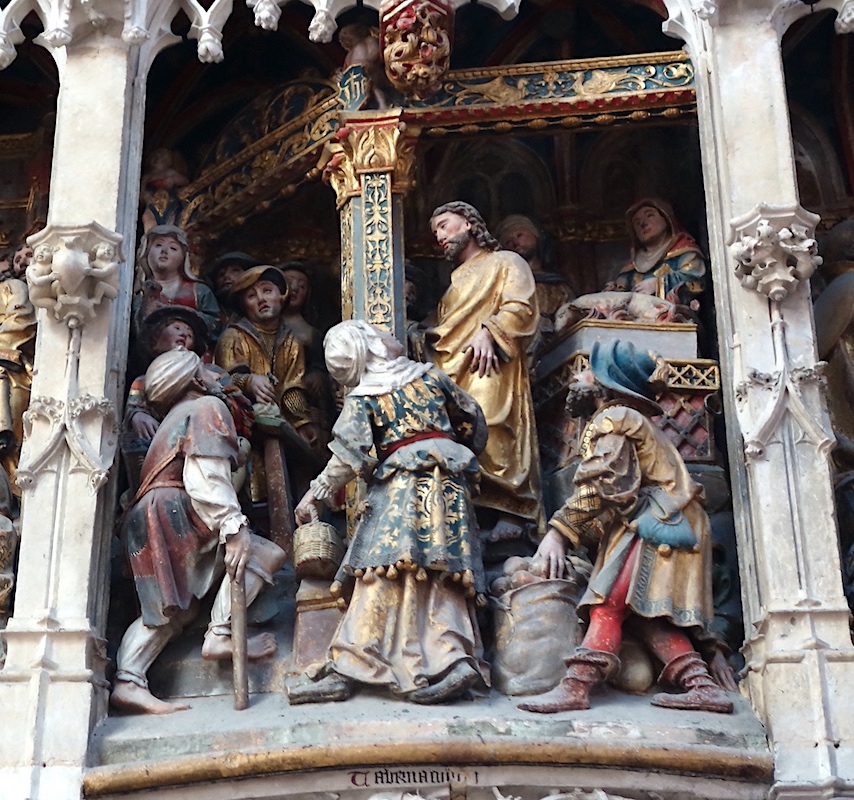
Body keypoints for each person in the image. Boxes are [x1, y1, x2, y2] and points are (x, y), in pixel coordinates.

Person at [518, 340, 735, 714]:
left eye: (588, 369)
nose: (578, 375)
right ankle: (701, 685)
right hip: (669, 518)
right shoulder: (631, 421)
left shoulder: (615, 418)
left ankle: (576, 687)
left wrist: (558, 534)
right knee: (645, 613)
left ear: (605, 383)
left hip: (658, 522)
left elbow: (606, 485)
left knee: (608, 603)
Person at [288, 320, 489, 705]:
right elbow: (472, 421)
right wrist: (448, 452)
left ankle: (356, 661)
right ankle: (452, 657)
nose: (389, 333)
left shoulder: (366, 398)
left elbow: (347, 455)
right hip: (450, 481)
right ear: (371, 347)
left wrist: (314, 495)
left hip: (400, 485)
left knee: (379, 570)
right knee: (442, 568)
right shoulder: (431, 377)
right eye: (378, 331)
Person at [110, 348, 285, 715]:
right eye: (205, 370)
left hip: (148, 515)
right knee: (262, 554)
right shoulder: (206, 408)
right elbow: (204, 474)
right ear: (193, 380)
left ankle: (130, 678)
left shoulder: (173, 417)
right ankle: (220, 635)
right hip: (175, 510)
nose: (213, 375)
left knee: (170, 609)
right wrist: (233, 526)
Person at [427, 201, 542, 543]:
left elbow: (521, 306)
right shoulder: (452, 286)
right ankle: (473, 513)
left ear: (470, 224)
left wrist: (489, 331)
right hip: (453, 369)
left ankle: (511, 509)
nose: (440, 236)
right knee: (456, 436)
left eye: (445, 225)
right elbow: (444, 331)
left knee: (491, 424)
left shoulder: (506, 262)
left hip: (489, 361)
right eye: (435, 233)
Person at [121, 307, 253, 493]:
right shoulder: (145, 380)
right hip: (164, 440)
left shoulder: (212, 374)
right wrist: (137, 415)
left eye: (189, 334)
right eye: (176, 328)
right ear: (155, 340)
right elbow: (135, 405)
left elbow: (241, 409)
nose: (184, 333)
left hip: (205, 432)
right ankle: (143, 488)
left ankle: (220, 494)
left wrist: (214, 392)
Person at [495, 214, 574, 353]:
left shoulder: (557, 285)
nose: (515, 242)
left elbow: (570, 315)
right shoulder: (505, 285)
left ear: (536, 237)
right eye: (508, 241)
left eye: (519, 235)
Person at [608, 198, 706, 307]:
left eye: (650, 215)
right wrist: (612, 291)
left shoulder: (685, 253)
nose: (643, 224)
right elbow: (621, 291)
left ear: (666, 218)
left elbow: (696, 282)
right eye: (637, 222)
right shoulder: (632, 266)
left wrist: (658, 284)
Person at [134, 225, 220, 339]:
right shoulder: (141, 294)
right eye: (158, 245)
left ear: (183, 258)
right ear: (146, 253)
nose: (164, 251)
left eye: (173, 248)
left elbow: (216, 324)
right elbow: (135, 331)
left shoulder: (199, 291)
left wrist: (181, 314)